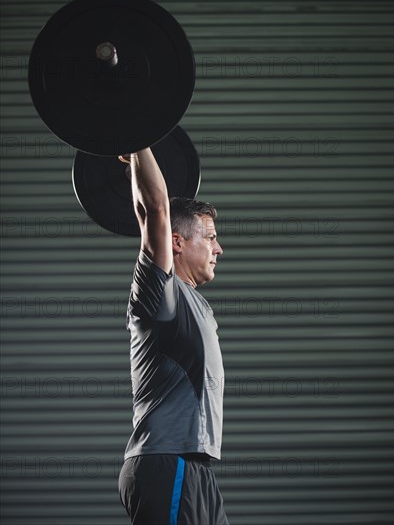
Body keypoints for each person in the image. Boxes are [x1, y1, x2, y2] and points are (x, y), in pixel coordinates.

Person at [118, 147, 229, 525]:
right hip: (166, 461)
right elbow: (154, 211)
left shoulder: (193, 303)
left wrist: (133, 160)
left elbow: (150, 211)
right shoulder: (161, 295)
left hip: (195, 466)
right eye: (210, 237)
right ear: (177, 243)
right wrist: (139, 142)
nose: (219, 249)